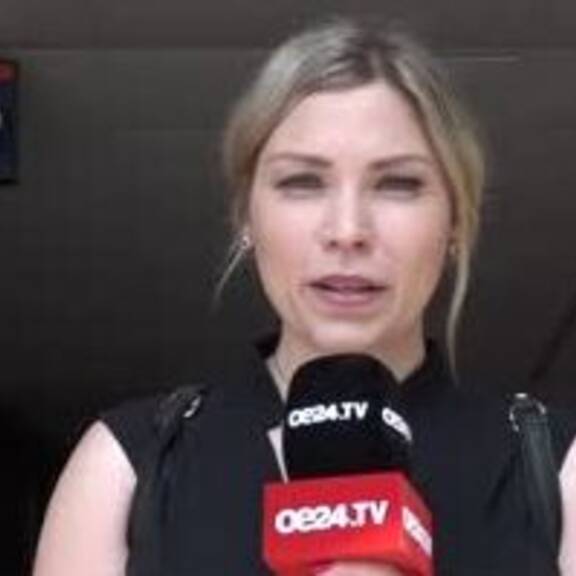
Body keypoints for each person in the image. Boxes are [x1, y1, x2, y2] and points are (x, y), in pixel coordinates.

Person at [32, 17, 576, 576]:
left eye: (397, 184)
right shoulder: (128, 464)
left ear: (456, 219)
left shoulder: (558, 469)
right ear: (247, 216)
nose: (347, 230)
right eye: (302, 182)